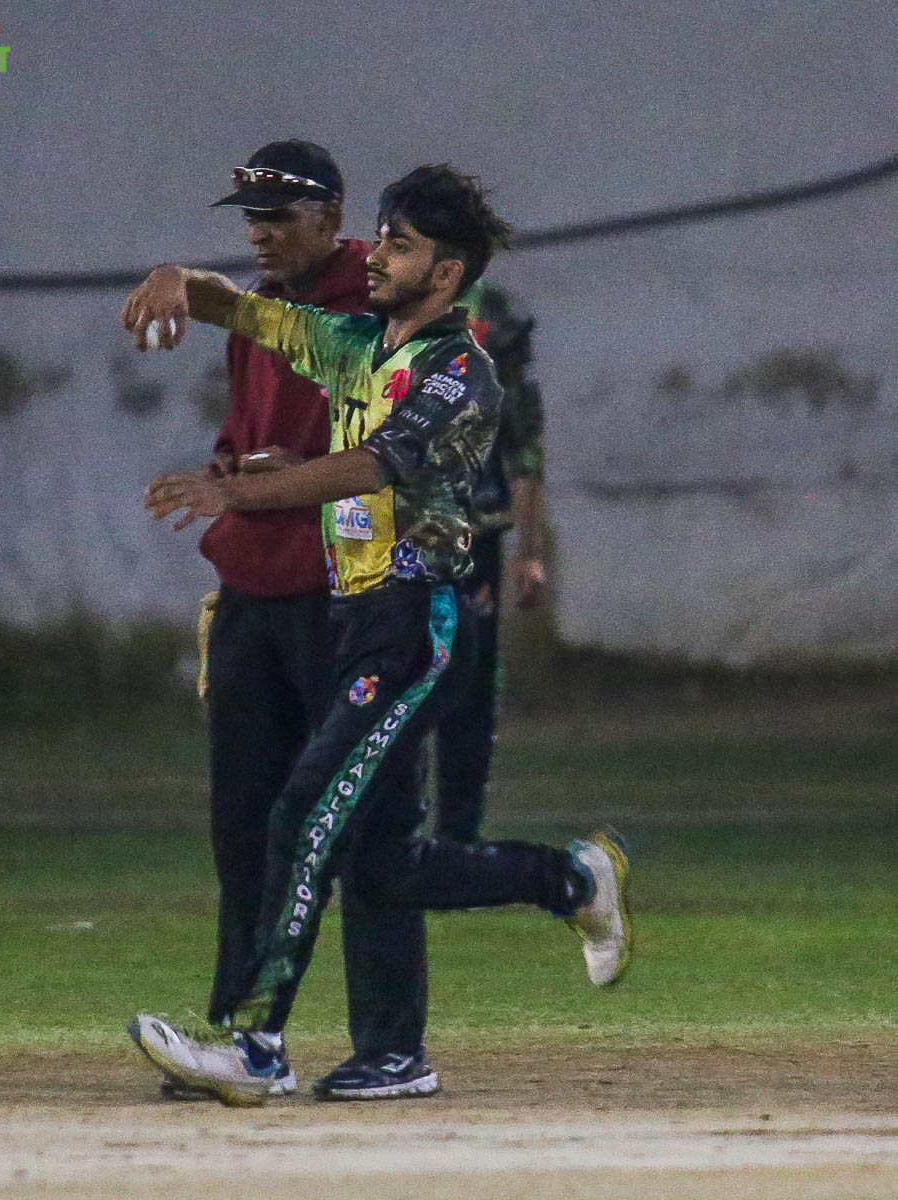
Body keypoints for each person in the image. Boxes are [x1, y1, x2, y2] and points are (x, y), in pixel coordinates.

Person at [123, 164, 633, 1106]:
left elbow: (371, 465)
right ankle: (571, 882)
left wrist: (238, 493)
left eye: (400, 245)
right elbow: (247, 312)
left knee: (300, 812)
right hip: (355, 617)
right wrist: (177, 281)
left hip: (413, 629)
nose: (378, 256)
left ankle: (256, 1048)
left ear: (445, 274)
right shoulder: (357, 343)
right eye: (383, 236)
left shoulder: (460, 371)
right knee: (387, 862)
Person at [135, 140, 436, 1102]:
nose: (261, 234)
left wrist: (285, 477)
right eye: (251, 219)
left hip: (352, 595)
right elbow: (247, 420)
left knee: (370, 825)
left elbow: (388, 455)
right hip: (256, 595)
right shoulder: (263, 311)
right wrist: (231, 472)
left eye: (278, 216)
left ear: (332, 216)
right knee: (245, 828)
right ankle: (241, 1043)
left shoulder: (377, 305)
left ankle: (393, 1046)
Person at [434, 282, 548, 842]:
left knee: (471, 686)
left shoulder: (507, 394)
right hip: (407, 545)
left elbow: (524, 464)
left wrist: (529, 552)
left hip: (474, 547)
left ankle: (456, 832)